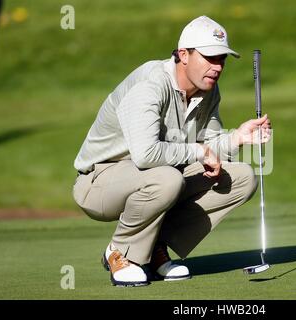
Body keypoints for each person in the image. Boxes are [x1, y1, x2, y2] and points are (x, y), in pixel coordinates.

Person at [73, 15, 272, 287]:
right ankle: (120, 252)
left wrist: (237, 138)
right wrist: (200, 152)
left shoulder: (209, 92)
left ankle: (154, 248)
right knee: (167, 178)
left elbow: (210, 149)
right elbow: (146, 154)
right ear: (183, 55)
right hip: (98, 181)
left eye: (221, 59)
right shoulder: (151, 84)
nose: (217, 67)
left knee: (241, 178)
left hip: (153, 176)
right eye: (210, 57)